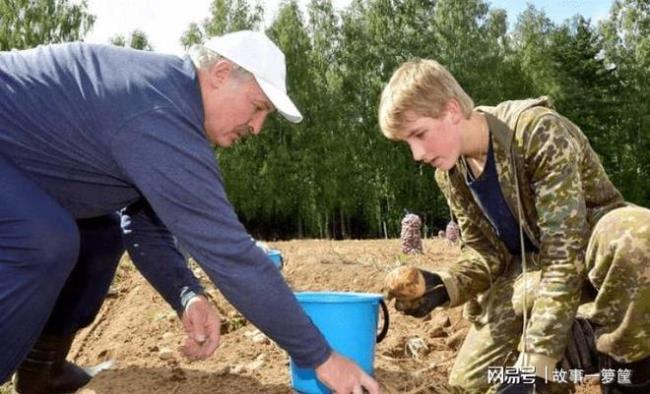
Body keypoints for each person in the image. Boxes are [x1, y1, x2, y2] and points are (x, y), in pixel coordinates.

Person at [0, 30, 380, 394]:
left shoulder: (168, 99)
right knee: (42, 239)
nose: (258, 126)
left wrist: (187, 294)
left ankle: (41, 369)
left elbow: (143, 224)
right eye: (258, 106)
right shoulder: (159, 113)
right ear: (220, 74)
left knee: (101, 234)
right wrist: (321, 357)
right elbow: (232, 256)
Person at [378, 58, 649, 393]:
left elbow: (564, 256)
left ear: (450, 110)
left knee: (635, 235)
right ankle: (573, 344)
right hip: (533, 276)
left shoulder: (536, 132)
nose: (417, 153)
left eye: (419, 134)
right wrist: (443, 286)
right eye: (408, 142)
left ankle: (621, 367)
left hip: (592, 257)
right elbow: (486, 254)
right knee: (473, 383)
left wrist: (534, 368)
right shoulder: (452, 174)